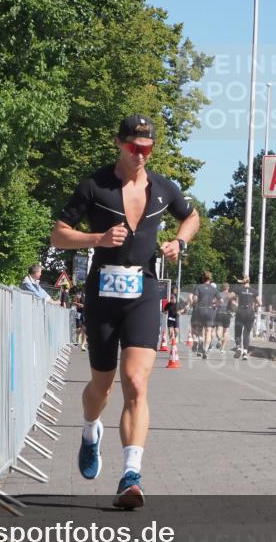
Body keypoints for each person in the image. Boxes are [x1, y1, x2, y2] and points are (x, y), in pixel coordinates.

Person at [50, 115, 200, 508]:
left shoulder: (164, 188)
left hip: (144, 291)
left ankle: (131, 475)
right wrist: (96, 237)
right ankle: (89, 430)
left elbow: (192, 217)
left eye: (147, 149)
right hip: (102, 292)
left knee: (136, 381)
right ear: (119, 143)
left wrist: (180, 243)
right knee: (101, 387)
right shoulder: (94, 185)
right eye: (134, 147)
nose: (140, 155)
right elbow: (58, 232)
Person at [191, 271, 219, 359]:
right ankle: (205, 351)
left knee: (199, 330)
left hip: (200, 310)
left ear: (203, 278)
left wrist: (195, 304)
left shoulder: (198, 287)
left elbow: (195, 299)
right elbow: (221, 300)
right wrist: (214, 304)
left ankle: (199, 341)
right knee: (208, 331)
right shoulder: (214, 289)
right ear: (210, 279)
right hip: (210, 311)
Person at [232, 276, 259, 360]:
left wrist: (236, 306)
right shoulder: (254, 291)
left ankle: (239, 348)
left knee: (238, 332)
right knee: (246, 334)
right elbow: (260, 303)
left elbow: (231, 298)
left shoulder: (239, 289)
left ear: (242, 282)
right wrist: (254, 307)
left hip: (240, 312)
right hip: (250, 313)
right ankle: (245, 353)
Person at [216, 282, 235, 353]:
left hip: (219, 313)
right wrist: (234, 310)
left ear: (222, 287)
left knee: (219, 329)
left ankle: (219, 339)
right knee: (226, 331)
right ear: (228, 287)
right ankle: (223, 349)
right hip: (227, 313)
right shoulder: (230, 295)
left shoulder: (219, 294)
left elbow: (215, 302)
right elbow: (233, 303)